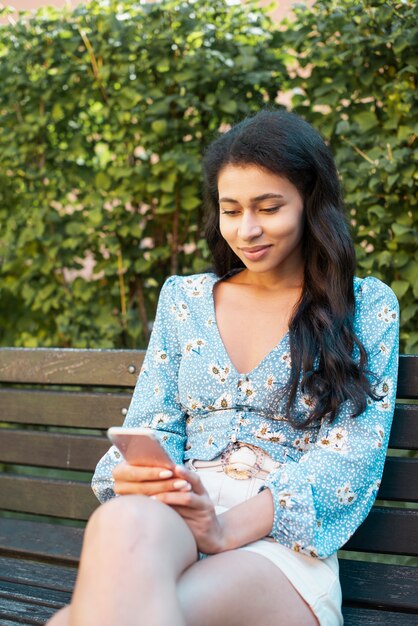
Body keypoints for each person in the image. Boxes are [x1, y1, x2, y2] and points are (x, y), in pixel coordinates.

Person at [47, 109, 399, 626]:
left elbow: (348, 461)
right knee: (122, 522)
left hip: (279, 542)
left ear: (310, 203)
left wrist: (226, 529)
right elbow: (153, 424)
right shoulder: (183, 299)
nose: (247, 229)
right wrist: (145, 478)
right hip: (180, 515)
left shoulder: (365, 306)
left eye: (269, 207)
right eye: (230, 210)